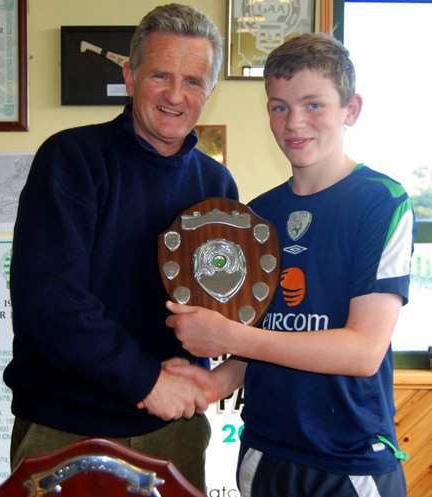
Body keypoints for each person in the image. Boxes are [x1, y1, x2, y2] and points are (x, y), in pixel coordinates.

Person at [165, 33, 415, 497]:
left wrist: (231, 337)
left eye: (314, 105)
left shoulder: (381, 202)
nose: (295, 122)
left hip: (348, 460)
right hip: (264, 452)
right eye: (279, 107)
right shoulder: (258, 215)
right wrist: (217, 380)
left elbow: (363, 352)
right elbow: (265, 332)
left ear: (351, 109)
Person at [3, 3, 238, 491]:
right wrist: (147, 382)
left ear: (209, 92)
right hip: (65, 427)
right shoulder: (71, 159)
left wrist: (223, 371)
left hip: (176, 430)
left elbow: (227, 309)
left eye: (194, 81)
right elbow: (50, 306)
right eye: (161, 75)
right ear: (130, 77)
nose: (176, 95)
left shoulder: (217, 185)